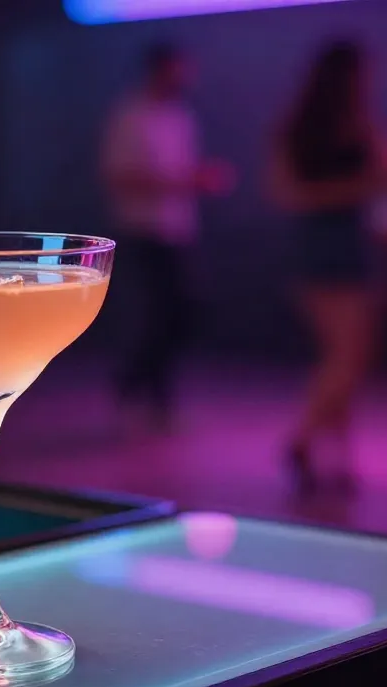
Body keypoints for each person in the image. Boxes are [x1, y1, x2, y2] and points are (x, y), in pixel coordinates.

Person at [269, 40, 385, 493]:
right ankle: (303, 438)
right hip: (342, 247)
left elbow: (284, 190)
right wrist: (356, 188)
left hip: (311, 247)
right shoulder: (356, 125)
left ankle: (340, 459)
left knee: (337, 355)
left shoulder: (296, 126)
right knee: (349, 356)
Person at [100, 43, 234, 429]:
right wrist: (183, 182)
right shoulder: (129, 115)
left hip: (178, 231)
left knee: (182, 314)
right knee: (155, 317)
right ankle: (142, 392)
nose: (183, 78)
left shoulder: (181, 117)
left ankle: (143, 389)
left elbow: (182, 170)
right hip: (141, 230)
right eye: (176, 70)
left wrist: (195, 180)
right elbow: (118, 175)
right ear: (158, 70)